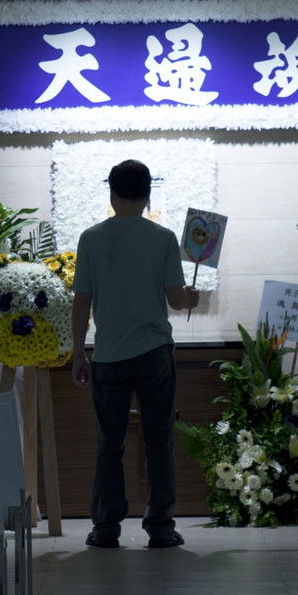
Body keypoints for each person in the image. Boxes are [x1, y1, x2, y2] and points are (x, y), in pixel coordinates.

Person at [71, 159, 199, 549]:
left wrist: (78, 352)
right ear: (147, 196)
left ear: (111, 194)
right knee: (159, 440)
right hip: (154, 353)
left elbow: (81, 302)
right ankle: (160, 527)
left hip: (109, 355)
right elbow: (176, 300)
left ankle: (105, 528)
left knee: (109, 444)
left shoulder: (91, 239)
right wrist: (191, 297)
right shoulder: (163, 238)